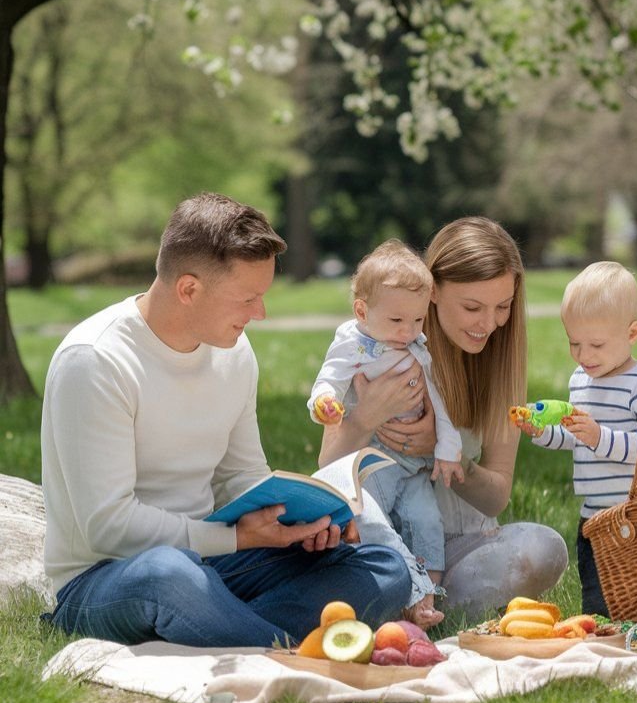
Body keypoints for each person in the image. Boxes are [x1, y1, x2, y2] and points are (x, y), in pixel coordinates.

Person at [41, 193, 411, 648]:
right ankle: (286, 651)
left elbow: (242, 476)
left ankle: (220, 628)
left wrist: (298, 524)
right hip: (108, 578)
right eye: (248, 298)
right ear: (189, 289)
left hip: (214, 560)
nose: (261, 313)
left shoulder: (234, 353)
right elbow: (108, 526)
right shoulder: (95, 361)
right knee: (171, 575)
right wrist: (233, 538)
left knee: (383, 569)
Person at [318, 216, 569, 622]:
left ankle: (418, 604)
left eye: (502, 307)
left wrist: (444, 452)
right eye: (472, 307)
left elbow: (496, 496)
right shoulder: (380, 345)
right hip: (382, 542)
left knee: (544, 549)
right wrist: (367, 416)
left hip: (461, 549)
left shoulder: (500, 362)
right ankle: (404, 598)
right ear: (432, 292)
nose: (488, 324)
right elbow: (330, 467)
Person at [308, 240, 464, 627]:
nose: (408, 331)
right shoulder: (351, 341)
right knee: (369, 520)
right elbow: (329, 378)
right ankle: (406, 592)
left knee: (426, 520)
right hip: (372, 459)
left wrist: (448, 447)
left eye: (418, 320)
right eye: (397, 321)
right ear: (362, 311)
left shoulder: (418, 347)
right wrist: (324, 402)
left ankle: (429, 598)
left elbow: (439, 399)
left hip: (413, 466)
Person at [520, 261, 637, 616]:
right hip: (594, 516)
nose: (584, 355)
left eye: (596, 344)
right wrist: (542, 432)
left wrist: (599, 436)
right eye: (574, 343)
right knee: (597, 601)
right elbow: (577, 437)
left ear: (632, 333)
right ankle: (604, 647)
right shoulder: (582, 379)